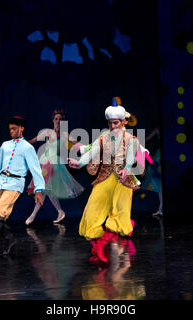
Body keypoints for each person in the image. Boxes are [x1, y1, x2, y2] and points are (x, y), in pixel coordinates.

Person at [67, 98, 141, 263]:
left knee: (119, 213)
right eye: (110, 123)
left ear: (122, 122)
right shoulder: (103, 138)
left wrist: (126, 169)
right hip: (105, 178)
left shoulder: (131, 140)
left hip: (123, 180)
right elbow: (91, 152)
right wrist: (78, 163)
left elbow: (129, 161)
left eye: (116, 123)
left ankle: (100, 245)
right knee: (92, 212)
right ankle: (96, 248)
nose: (113, 126)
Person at [0, 116, 45, 257]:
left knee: (0, 213)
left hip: (15, 184)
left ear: (22, 128)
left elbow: (35, 169)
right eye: (10, 129)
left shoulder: (28, 148)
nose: (12, 131)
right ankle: (11, 240)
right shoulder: (5, 145)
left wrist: (38, 190)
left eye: (14, 129)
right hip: (1, 182)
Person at [25, 109, 84, 225]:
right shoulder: (47, 133)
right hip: (45, 163)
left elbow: (76, 143)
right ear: (53, 120)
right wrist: (21, 145)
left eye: (60, 119)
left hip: (56, 164)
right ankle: (59, 211)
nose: (58, 121)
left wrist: (89, 148)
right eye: (56, 119)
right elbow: (33, 140)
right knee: (46, 190)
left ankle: (34, 214)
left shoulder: (64, 135)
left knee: (46, 190)